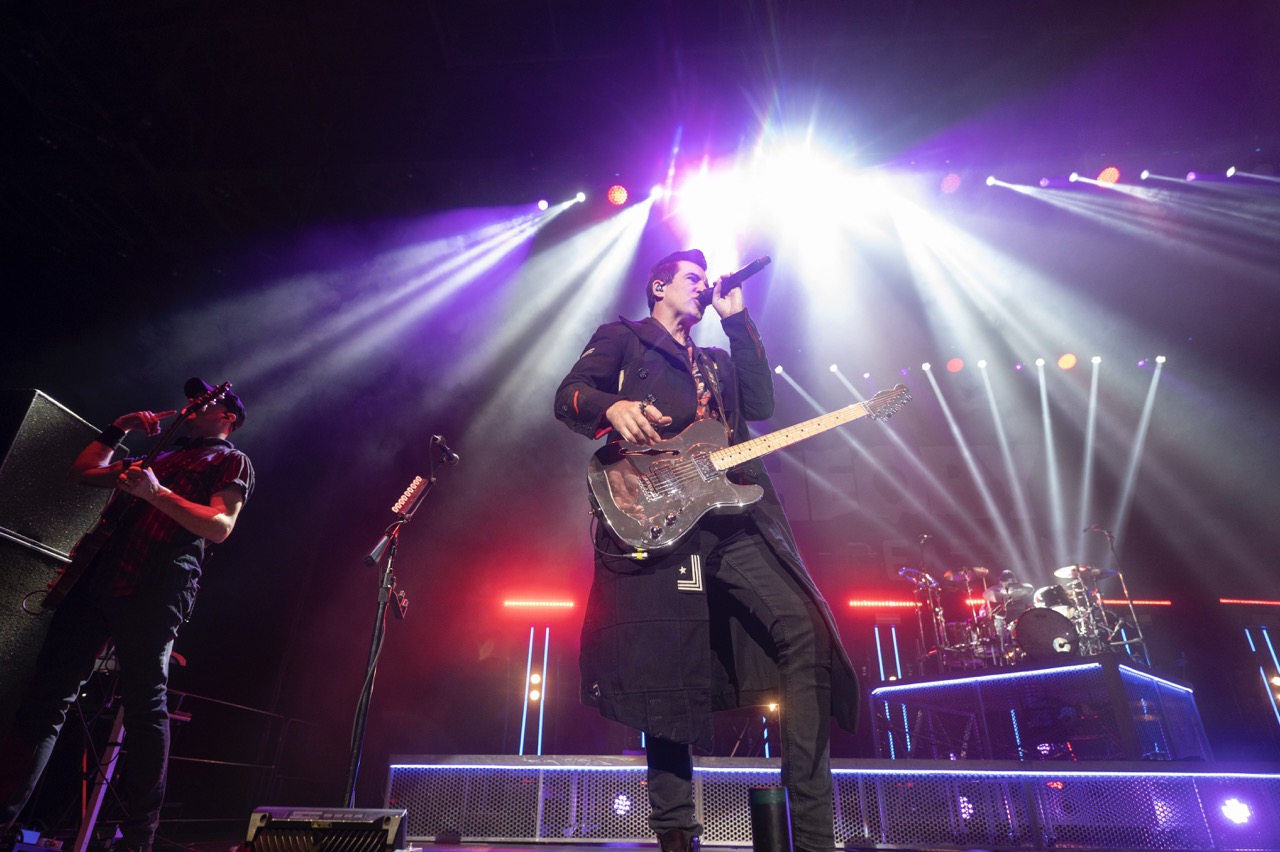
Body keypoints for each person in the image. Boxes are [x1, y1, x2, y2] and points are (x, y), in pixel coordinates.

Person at [554, 250, 858, 852]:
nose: (702, 285)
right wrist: (612, 406)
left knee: (805, 630)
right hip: (659, 518)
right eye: (691, 278)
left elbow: (761, 406)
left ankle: (813, 834)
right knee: (668, 664)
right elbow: (569, 396)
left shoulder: (716, 361)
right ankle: (676, 832)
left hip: (732, 522)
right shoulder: (624, 338)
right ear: (658, 286)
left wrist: (737, 320)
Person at [0, 378, 255, 852]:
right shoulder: (159, 455)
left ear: (228, 417)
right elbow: (84, 471)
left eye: (209, 399)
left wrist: (156, 494)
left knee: (144, 707)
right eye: (194, 396)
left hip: (156, 587)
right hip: (97, 580)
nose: (194, 403)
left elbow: (220, 526)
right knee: (45, 700)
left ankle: (138, 839)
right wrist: (118, 428)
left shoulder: (230, 460)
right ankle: (3, 822)